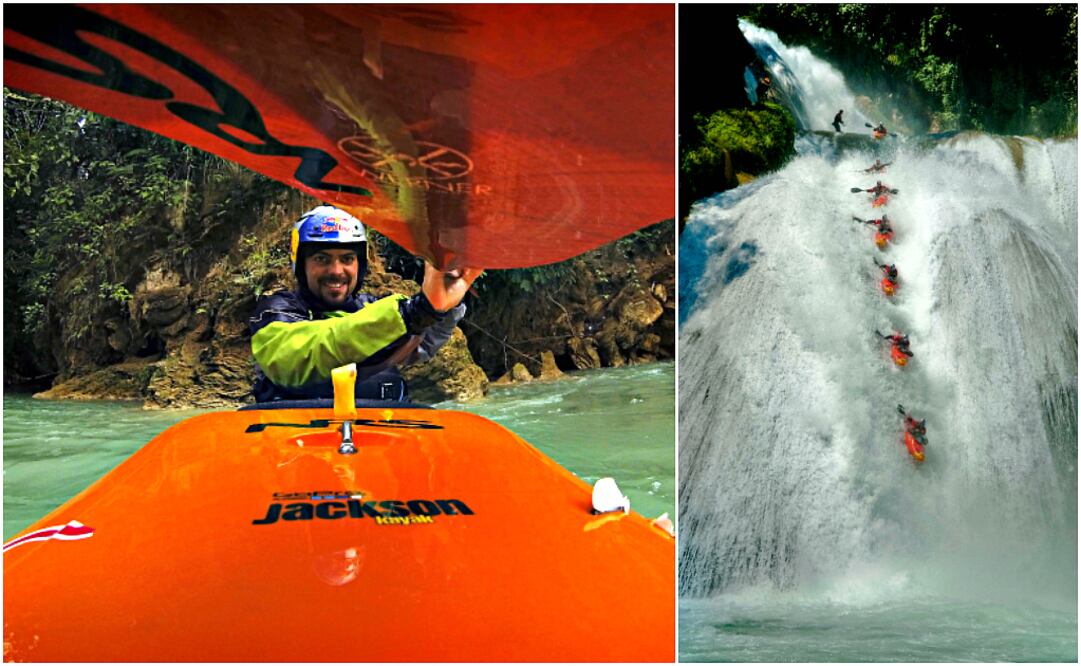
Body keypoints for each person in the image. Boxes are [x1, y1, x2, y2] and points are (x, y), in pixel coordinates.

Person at [248, 205, 482, 403]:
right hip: (298, 444)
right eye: (322, 259)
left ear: (360, 265)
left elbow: (419, 345)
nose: (336, 271)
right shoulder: (276, 311)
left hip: (384, 438)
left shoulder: (370, 306)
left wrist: (445, 305)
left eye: (347, 259)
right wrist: (414, 312)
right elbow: (297, 356)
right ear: (301, 265)